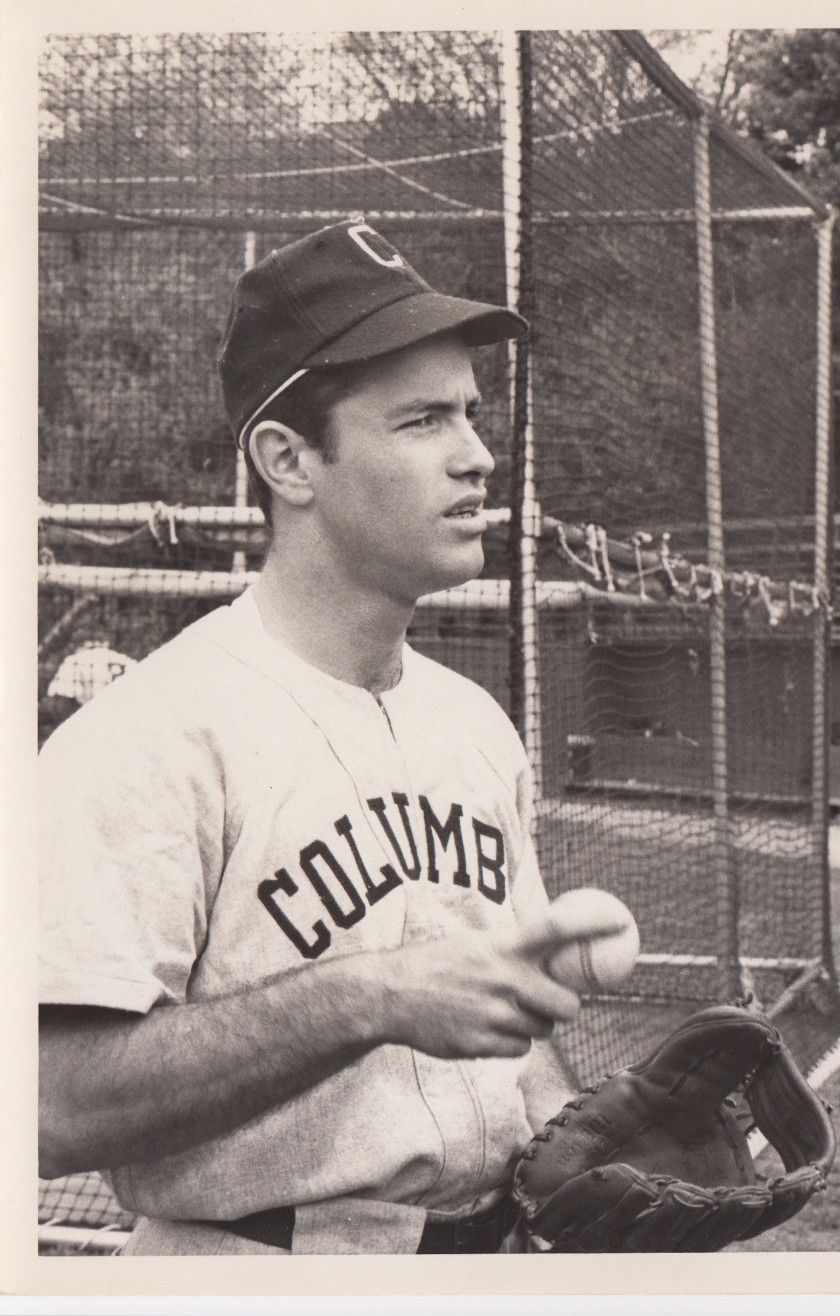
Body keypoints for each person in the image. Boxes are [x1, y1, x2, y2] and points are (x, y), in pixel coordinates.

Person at [37, 219, 630, 1255]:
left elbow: (504, 1052)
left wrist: (583, 1139)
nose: (478, 455)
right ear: (289, 459)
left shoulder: (474, 722)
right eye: (421, 421)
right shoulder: (147, 736)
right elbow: (50, 1107)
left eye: (473, 415)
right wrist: (366, 997)